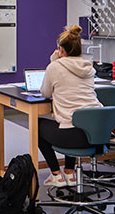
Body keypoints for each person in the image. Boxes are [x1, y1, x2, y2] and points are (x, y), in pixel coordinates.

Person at [38, 25, 102, 187]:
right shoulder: (88, 66)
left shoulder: (54, 66)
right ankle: (69, 171)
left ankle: (56, 174)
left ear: (61, 50)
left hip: (72, 136)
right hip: (96, 133)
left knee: (38, 127)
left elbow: (45, 93)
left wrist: (53, 62)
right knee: (74, 117)